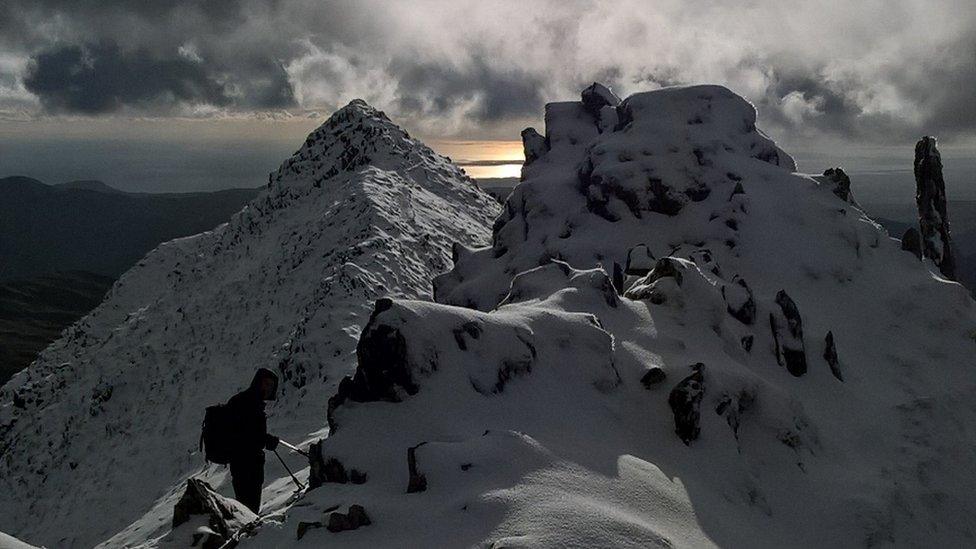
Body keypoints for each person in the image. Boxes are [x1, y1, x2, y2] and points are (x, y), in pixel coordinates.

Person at [226, 368, 280, 514]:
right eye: (266, 384)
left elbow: (247, 433)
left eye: (271, 385)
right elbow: (249, 435)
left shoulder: (242, 401)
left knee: (245, 507)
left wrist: (263, 439)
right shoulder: (251, 404)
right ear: (258, 382)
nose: (269, 389)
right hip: (248, 464)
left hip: (240, 463)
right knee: (249, 508)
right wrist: (265, 440)